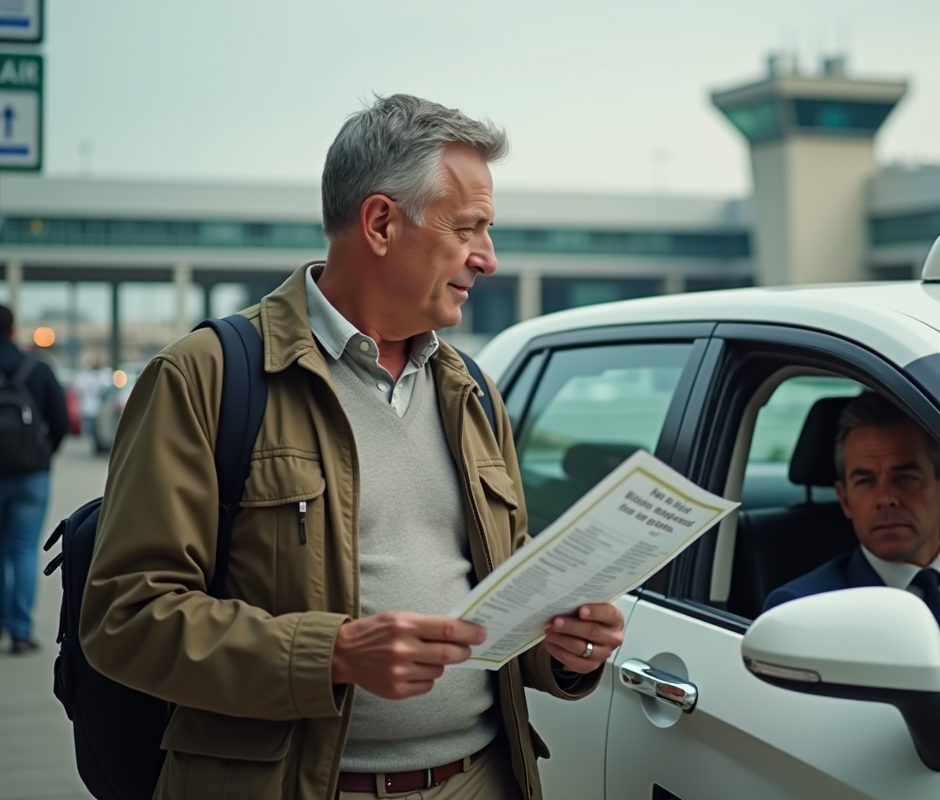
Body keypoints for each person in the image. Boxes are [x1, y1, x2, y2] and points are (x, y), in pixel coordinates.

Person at [80, 95, 624, 800]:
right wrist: (332, 654)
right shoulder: (207, 377)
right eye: (470, 229)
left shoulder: (475, 392)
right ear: (380, 222)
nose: (488, 258)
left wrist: (564, 652)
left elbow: (500, 605)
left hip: (482, 781)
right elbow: (125, 616)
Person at [763, 392, 940, 700]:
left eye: (906, 476)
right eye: (865, 481)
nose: (886, 498)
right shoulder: (802, 610)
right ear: (844, 499)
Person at [0, 304, 70, 654]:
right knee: (23, 549)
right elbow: (60, 422)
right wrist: (42, 457)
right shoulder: (37, 369)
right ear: (13, 330)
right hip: (31, 474)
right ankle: (21, 631)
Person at [72, 352, 113, 443]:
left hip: (101, 409)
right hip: (87, 408)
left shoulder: (105, 374)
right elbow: (77, 390)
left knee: (100, 432)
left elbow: (108, 388)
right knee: (88, 433)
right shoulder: (84, 375)